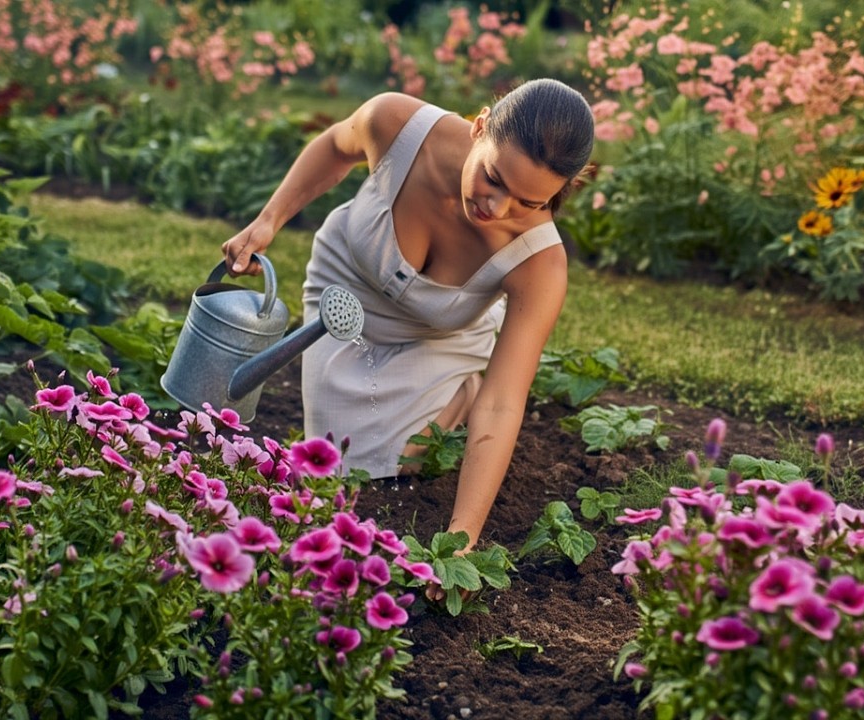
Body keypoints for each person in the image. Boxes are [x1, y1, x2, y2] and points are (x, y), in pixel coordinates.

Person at [221, 78, 594, 552]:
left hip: (436, 332)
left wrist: (462, 537)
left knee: (384, 460)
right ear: (480, 126)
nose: (497, 208)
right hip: (347, 290)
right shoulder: (396, 124)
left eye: (529, 202)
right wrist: (268, 220)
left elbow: (503, 402)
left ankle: (459, 390)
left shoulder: (539, 263)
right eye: (495, 179)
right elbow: (334, 148)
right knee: (335, 456)